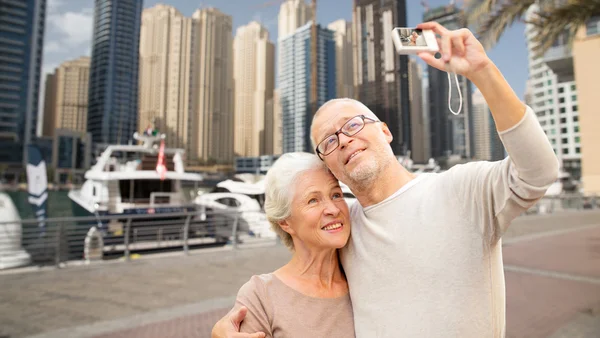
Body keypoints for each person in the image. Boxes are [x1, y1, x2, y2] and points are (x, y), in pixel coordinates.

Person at [213, 21, 559, 337]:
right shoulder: (346, 231)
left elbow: (538, 172)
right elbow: (299, 276)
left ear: (385, 131)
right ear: (330, 167)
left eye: (352, 124)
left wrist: (483, 72)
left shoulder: (461, 189)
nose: (344, 139)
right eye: (329, 141)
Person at [222, 152, 355, 338]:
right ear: (285, 222)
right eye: (313, 200)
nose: (333, 209)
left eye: (336, 195)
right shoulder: (261, 296)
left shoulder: (363, 278)